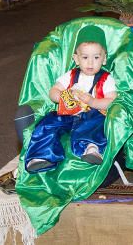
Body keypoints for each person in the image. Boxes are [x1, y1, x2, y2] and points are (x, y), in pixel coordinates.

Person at [24, 29, 117, 173]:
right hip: (67, 113)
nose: (90, 62)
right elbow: (53, 92)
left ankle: (92, 149)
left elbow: (111, 101)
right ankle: (41, 157)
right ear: (76, 58)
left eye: (97, 57)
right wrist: (64, 95)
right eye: (85, 57)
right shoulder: (70, 75)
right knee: (47, 124)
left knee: (97, 123)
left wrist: (93, 101)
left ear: (104, 59)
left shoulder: (106, 79)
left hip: (92, 113)